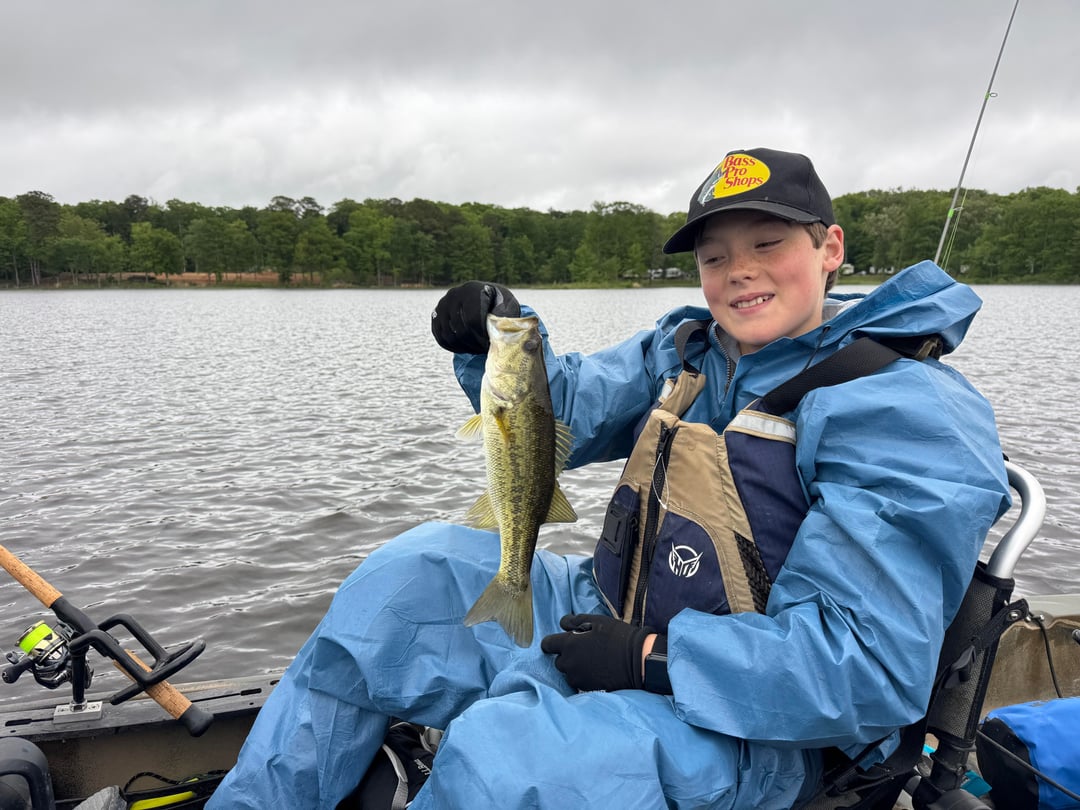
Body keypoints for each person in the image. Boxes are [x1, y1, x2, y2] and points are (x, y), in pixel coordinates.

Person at [208, 147, 1011, 809]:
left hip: (769, 729)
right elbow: (559, 412)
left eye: (768, 244)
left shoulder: (906, 413)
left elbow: (865, 668)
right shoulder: (690, 351)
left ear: (829, 249)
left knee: (508, 763)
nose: (740, 272)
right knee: (400, 584)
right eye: (715, 256)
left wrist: (652, 659)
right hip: (616, 611)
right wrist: (494, 339)